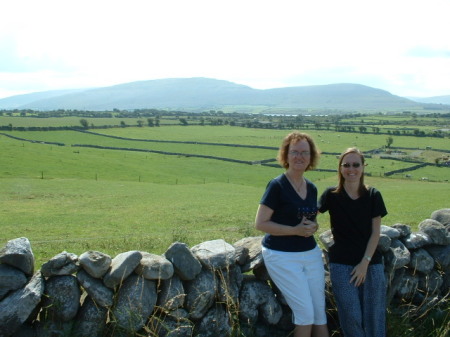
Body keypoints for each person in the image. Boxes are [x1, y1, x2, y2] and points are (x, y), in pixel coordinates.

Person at [255, 132, 329, 337]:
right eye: (294, 152)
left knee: (319, 313)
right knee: (305, 314)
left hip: (310, 253)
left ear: (311, 157)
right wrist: (295, 231)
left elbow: (310, 219)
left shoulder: (312, 188)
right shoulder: (277, 186)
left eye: (305, 152)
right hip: (282, 255)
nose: (299, 157)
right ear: (286, 156)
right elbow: (260, 223)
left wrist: (312, 227)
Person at [318, 147, 387, 337]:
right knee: (351, 316)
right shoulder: (330, 195)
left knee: (375, 317)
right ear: (340, 168)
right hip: (341, 265)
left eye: (356, 165)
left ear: (363, 167)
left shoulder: (373, 195)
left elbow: (375, 233)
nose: (351, 169)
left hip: (371, 264)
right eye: (346, 165)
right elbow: (310, 216)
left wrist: (364, 263)